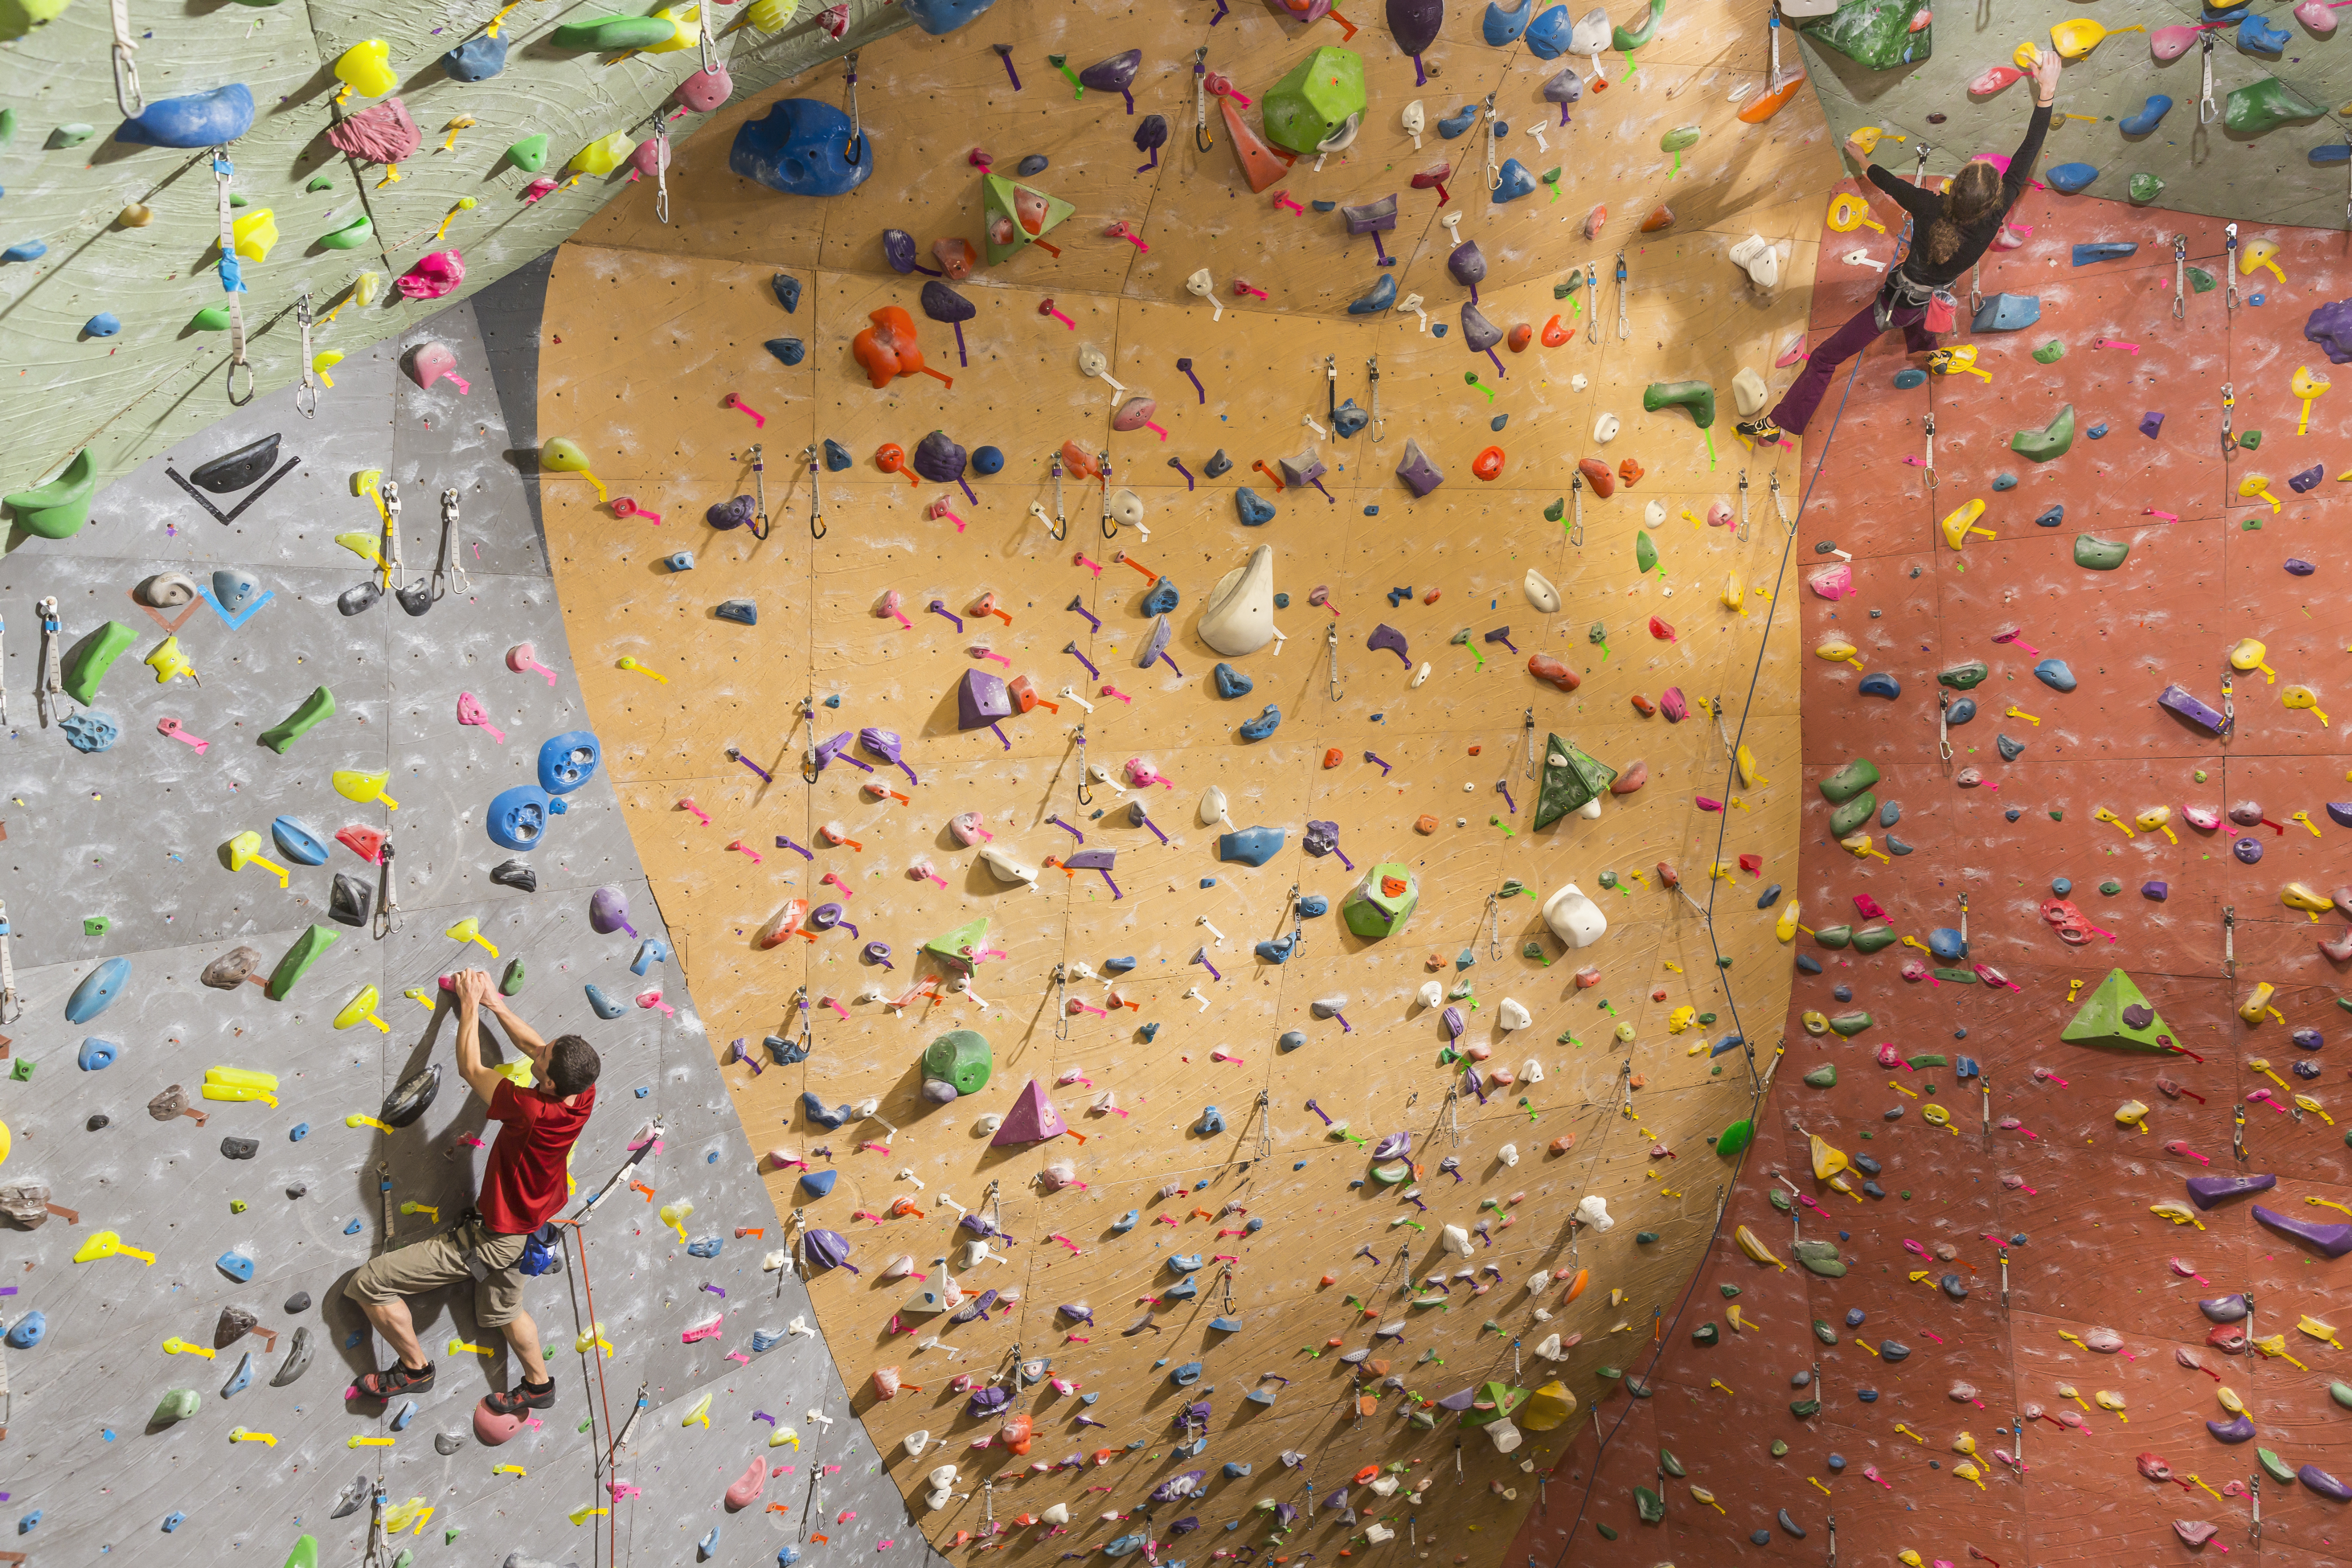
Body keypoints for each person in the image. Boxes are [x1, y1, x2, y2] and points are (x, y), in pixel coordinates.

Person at [1738, 49, 2061, 446]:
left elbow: (1890, 185)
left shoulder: (1930, 207)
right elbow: (2027, 154)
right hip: (1926, 300)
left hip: (1897, 304)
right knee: (1915, 315)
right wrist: (2047, 92)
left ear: (1955, 188)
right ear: (1995, 200)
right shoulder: (1994, 218)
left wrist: (1859, 160)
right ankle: (1931, 351)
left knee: (1825, 358)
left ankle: (1780, 422)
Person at [345, 968, 599, 1413]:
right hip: (533, 1225)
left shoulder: (531, 1109)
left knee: (370, 1283)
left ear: (549, 1084)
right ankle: (540, 1386)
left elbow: (471, 1069)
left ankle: (414, 1370)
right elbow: (534, 1048)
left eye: (543, 1058)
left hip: (493, 1239)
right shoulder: (581, 1092)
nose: (537, 1051)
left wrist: (467, 1003)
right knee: (502, 1311)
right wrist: (496, 1004)